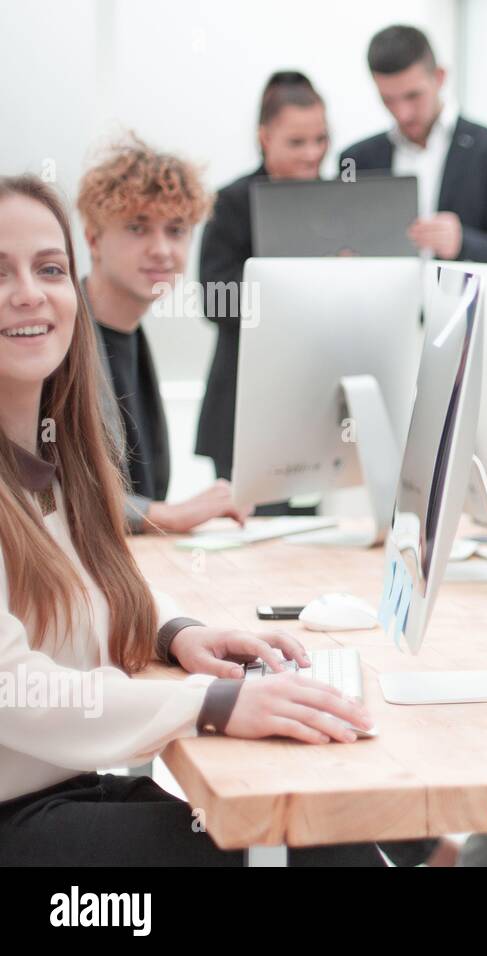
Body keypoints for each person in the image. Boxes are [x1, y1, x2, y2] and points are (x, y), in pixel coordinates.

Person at [0, 175, 391, 865]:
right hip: (19, 823)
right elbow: (13, 692)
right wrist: (206, 704)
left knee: (325, 837)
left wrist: (176, 632)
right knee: (279, 850)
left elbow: (87, 584)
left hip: (67, 790)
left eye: (49, 269)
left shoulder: (52, 458)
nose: (30, 292)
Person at [76, 136, 248, 534]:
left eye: (176, 230)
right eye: (138, 228)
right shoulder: (57, 339)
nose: (162, 250)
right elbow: (50, 491)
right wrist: (166, 514)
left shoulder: (130, 333)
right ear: (93, 239)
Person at [196, 71, 329, 485]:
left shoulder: (337, 200)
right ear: (264, 137)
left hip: (311, 399)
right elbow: (215, 300)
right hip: (243, 400)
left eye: (321, 139)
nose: (312, 154)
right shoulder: (232, 202)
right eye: (297, 142)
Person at [339, 24, 487, 265]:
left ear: (439, 77)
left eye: (413, 96)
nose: (402, 113)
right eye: (388, 100)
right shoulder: (355, 159)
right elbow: (342, 239)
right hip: (378, 300)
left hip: (461, 300)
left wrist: (462, 242)